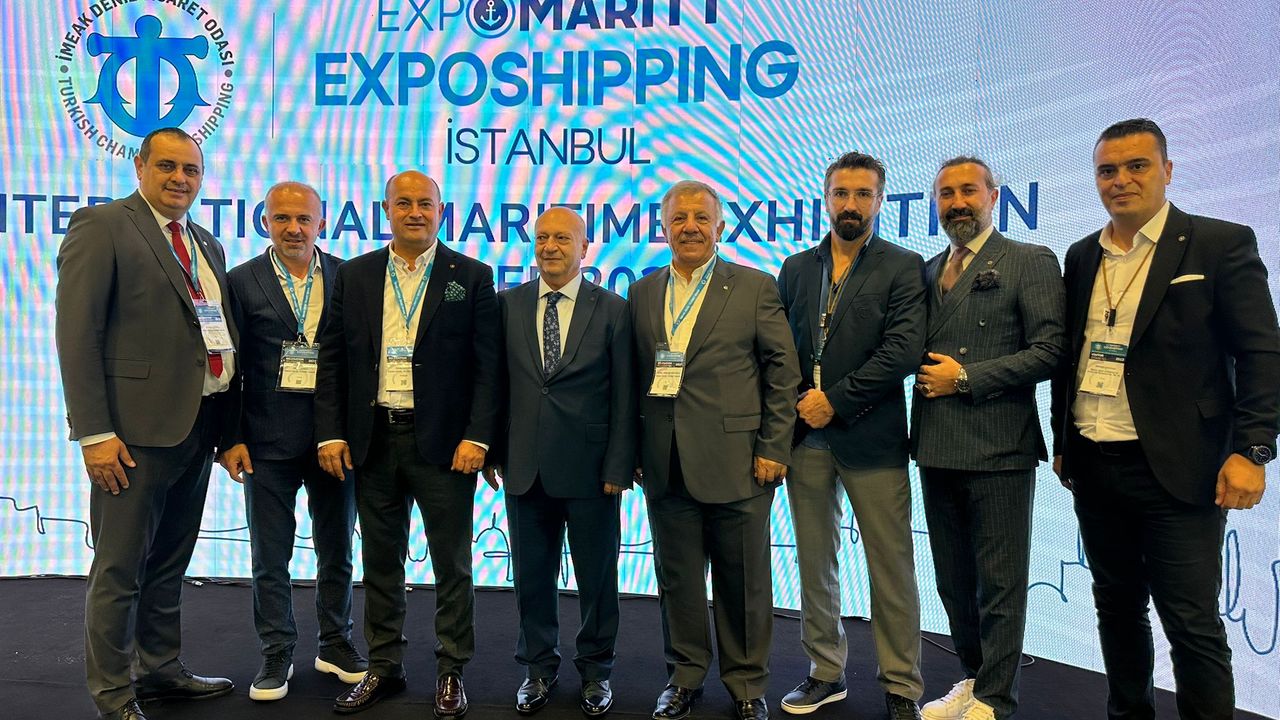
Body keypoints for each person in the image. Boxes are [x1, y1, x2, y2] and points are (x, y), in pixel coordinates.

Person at [1051, 118, 1280, 719]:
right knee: (1116, 609)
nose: (1121, 180)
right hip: (1095, 464)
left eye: (1137, 166)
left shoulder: (1219, 244)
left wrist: (1253, 449)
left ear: (1167, 170)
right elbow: (1071, 356)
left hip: (1181, 468)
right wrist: (1063, 442)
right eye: (1107, 170)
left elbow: (1261, 352)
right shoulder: (1082, 255)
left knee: (1191, 622)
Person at [55, 126, 237, 720]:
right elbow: (77, 335)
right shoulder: (103, 225)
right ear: (140, 167)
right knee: (119, 570)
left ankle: (159, 670)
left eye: (190, 169)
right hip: (130, 437)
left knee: (168, 563)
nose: (180, 178)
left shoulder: (206, 244)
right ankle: (113, 693)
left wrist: (226, 431)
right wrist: (94, 433)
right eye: (167, 166)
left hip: (197, 429)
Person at [313, 170, 501, 716]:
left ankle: (451, 671)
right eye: (403, 203)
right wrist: (331, 432)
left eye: (425, 204)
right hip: (373, 440)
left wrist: (478, 437)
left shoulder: (472, 275)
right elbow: (332, 357)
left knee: (452, 565)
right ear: (386, 211)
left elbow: (488, 368)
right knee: (380, 562)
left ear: (441, 212)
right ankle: (384, 666)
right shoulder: (355, 274)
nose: (414, 212)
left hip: (445, 447)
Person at [630, 180, 800, 720]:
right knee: (677, 580)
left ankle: (747, 685)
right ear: (663, 228)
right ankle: (684, 677)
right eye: (679, 219)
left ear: (721, 227)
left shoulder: (753, 287)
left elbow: (782, 371)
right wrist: (636, 451)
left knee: (743, 582)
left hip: (741, 462)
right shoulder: (642, 292)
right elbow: (634, 377)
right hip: (666, 464)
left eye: (701, 218)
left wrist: (775, 445)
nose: (690, 228)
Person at [911, 157, 1065, 720]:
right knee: (954, 583)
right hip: (936, 446)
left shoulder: (1029, 260)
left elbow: (1051, 350)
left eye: (968, 191)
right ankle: (974, 680)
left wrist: (967, 378)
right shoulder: (928, 270)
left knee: (999, 583)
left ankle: (996, 700)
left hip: (999, 447)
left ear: (993, 197)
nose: (958, 202)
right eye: (946, 193)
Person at [776, 152, 927, 719]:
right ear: (826, 198)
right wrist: (801, 402)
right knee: (815, 564)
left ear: (880, 201)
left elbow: (903, 350)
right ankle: (825, 672)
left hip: (872, 437)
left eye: (863, 194)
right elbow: (780, 349)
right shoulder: (796, 268)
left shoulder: (903, 266)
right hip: (806, 439)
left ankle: (901, 686)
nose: (851, 204)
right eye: (841, 193)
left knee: (891, 568)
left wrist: (834, 401)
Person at [218, 181, 366, 702]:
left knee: (338, 548)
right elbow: (227, 363)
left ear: (322, 223)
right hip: (264, 440)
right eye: (282, 218)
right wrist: (230, 437)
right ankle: (276, 651)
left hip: (334, 441)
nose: (294, 228)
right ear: (265, 222)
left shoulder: (350, 276)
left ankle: (336, 643)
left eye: (304, 219)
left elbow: (360, 361)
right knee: (270, 556)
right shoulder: (240, 281)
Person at [487, 207, 636, 717]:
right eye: (542, 237)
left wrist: (619, 465)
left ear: (584, 248)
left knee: (598, 579)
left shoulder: (613, 309)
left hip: (593, 470)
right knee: (532, 577)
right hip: (524, 465)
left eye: (562, 238)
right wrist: (492, 449)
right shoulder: (507, 304)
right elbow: (496, 384)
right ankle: (537, 668)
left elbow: (624, 395)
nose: (550, 246)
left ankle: (596, 671)